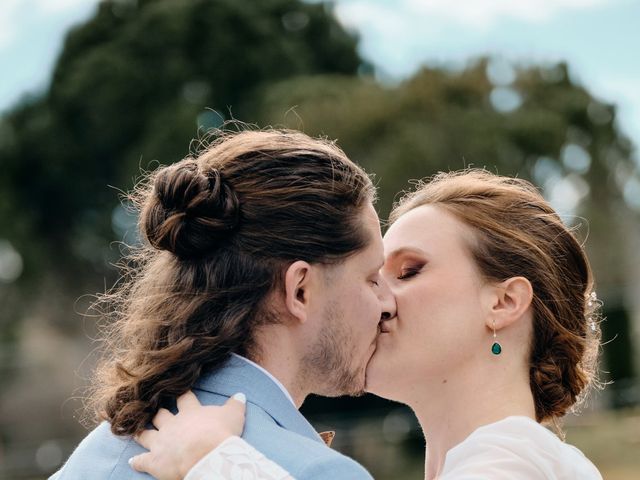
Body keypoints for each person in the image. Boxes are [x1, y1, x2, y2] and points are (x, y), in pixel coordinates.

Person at [129, 170, 603, 479]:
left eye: (408, 271)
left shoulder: (512, 462)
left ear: (503, 303)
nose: (376, 299)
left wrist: (213, 461)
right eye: (372, 277)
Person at [50, 129, 396, 479]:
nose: (386, 302)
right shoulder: (317, 471)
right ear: (300, 291)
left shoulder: (95, 456)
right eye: (371, 278)